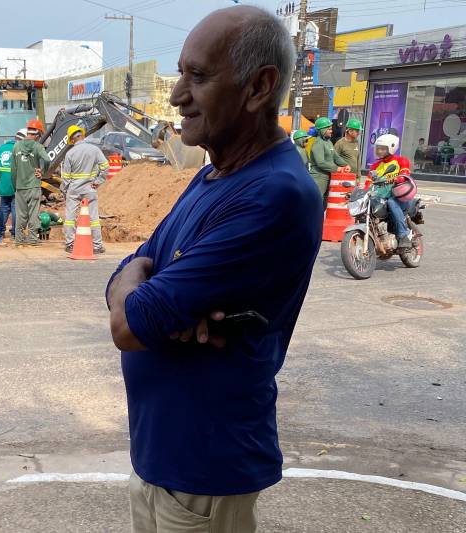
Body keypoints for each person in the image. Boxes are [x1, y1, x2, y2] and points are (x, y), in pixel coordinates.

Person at [105, 6, 322, 532]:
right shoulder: (216, 176)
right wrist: (144, 287)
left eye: (198, 77)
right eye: (182, 74)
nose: (178, 95)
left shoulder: (272, 194)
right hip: (164, 458)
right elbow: (127, 271)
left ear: (258, 87)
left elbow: (129, 326)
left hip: (204, 474)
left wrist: (146, 296)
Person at [61, 125, 109, 254]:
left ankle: (70, 244)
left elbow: (66, 176)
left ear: (71, 140)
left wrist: (65, 191)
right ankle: (97, 246)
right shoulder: (94, 149)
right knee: (93, 218)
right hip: (90, 189)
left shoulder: (70, 153)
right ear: (82, 135)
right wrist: (98, 181)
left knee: (70, 217)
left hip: (74, 189)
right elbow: (105, 166)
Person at [368, 133, 413, 249]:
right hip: (380, 197)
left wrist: (398, 178)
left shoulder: (401, 161)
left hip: (399, 198)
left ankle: (403, 236)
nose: (379, 151)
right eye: (378, 148)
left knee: (391, 202)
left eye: (382, 149)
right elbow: (368, 183)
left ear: (391, 148)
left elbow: (404, 174)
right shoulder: (374, 166)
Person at [11, 118, 50, 247]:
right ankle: (33, 239)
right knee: (33, 213)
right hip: (34, 186)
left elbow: (13, 169)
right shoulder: (38, 146)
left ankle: (19, 239)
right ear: (38, 134)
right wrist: (42, 172)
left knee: (21, 214)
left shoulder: (16, 146)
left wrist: (15, 185)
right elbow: (47, 159)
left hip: (20, 186)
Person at [309, 116, 349, 205]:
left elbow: (335, 156)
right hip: (318, 178)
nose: (331, 131)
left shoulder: (329, 142)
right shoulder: (318, 144)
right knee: (316, 202)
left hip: (328, 176)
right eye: (329, 129)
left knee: (324, 203)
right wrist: (337, 169)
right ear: (322, 130)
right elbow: (321, 163)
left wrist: (345, 165)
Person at [0, 128, 25, 239]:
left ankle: (0, 231)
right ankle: (14, 233)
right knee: (15, 209)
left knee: (4, 208)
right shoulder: (19, 150)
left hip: (3, 185)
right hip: (15, 185)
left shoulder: (1, 149)